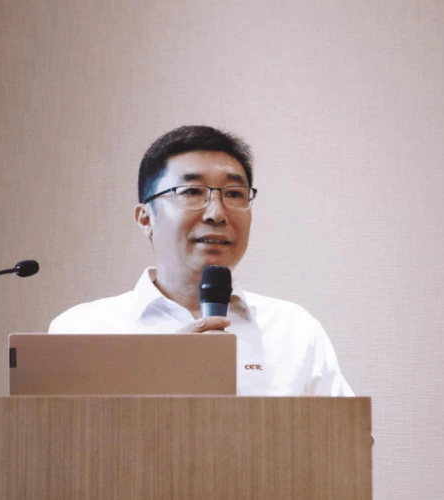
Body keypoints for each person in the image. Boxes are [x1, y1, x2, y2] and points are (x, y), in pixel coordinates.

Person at [49, 125, 354, 396]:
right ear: (145, 218)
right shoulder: (82, 331)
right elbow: (58, 438)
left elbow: (350, 437)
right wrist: (154, 381)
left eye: (234, 194)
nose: (217, 213)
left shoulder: (293, 330)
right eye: (192, 191)